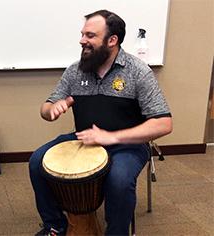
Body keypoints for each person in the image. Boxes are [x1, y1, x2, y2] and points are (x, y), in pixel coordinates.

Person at [29, 9, 172, 235]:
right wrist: (52, 109)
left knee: (119, 180)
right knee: (37, 161)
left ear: (112, 40)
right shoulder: (76, 70)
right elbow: (45, 108)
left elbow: (163, 123)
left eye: (90, 35)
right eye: (83, 34)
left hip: (128, 145)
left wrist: (111, 137)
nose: (82, 40)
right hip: (84, 138)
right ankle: (54, 225)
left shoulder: (137, 71)